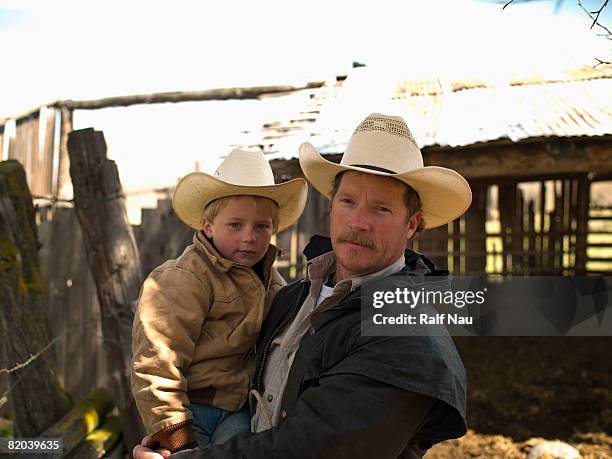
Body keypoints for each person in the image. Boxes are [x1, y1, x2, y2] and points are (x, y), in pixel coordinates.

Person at [134, 113, 472, 459]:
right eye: (348, 201)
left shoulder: (407, 334)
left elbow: (310, 447)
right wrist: (172, 434)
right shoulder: (290, 297)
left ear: (411, 224)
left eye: (381, 208)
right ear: (331, 206)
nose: (358, 222)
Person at [131, 149, 308, 453]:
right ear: (208, 226)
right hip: (189, 410)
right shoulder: (185, 277)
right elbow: (157, 358)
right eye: (235, 225)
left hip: (240, 411)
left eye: (261, 226)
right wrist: (174, 432)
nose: (249, 237)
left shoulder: (273, 284)